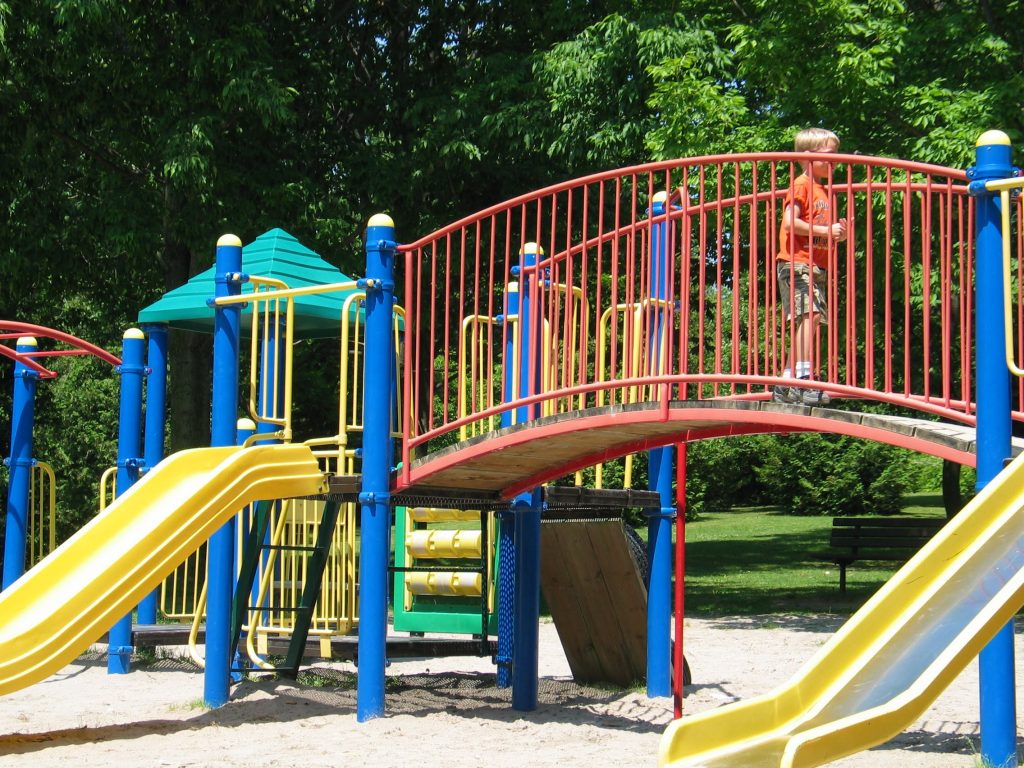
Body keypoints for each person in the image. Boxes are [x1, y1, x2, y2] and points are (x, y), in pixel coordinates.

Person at [773, 127, 847, 406]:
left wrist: (840, 233)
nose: (836, 161)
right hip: (795, 263)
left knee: (810, 319)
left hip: (814, 266)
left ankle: (786, 383)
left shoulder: (826, 192)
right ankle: (803, 381)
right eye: (829, 155)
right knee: (811, 316)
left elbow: (824, 232)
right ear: (807, 157)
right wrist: (826, 230)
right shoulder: (801, 185)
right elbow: (790, 222)